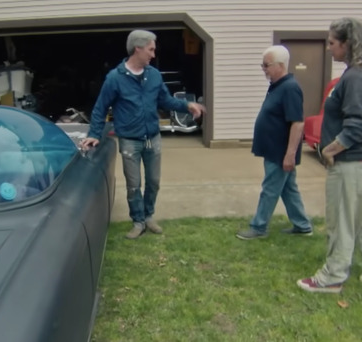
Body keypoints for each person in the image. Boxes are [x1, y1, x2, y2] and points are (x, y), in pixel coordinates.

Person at [297, 17, 362, 294]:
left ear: (347, 43)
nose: (329, 48)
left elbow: (359, 124)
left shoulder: (357, 77)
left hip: (356, 164)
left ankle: (331, 277)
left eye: (332, 43)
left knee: (341, 220)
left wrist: (331, 149)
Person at [81, 30, 206, 239]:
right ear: (137, 48)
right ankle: (138, 221)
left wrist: (187, 105)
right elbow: (100, 108)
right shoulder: (115, 78)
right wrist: (94, 133)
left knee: (154, 181)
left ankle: (149, 216)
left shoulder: (154, 75)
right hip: (130, 141)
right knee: (133, 185)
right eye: (151, 49)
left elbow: (165, 101)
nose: (153, 54)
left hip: (153, 138)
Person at [236, 45, 313, 240]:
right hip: (274, 150)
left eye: (266, 65)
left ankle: (259, 227)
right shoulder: (277, 86)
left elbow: (297, 123)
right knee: (288, 189)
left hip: (280, 152)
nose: (263, 68)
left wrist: (289, 154)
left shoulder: (290, 88)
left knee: (270, 190)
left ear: (280, 65)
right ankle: (302, 226)